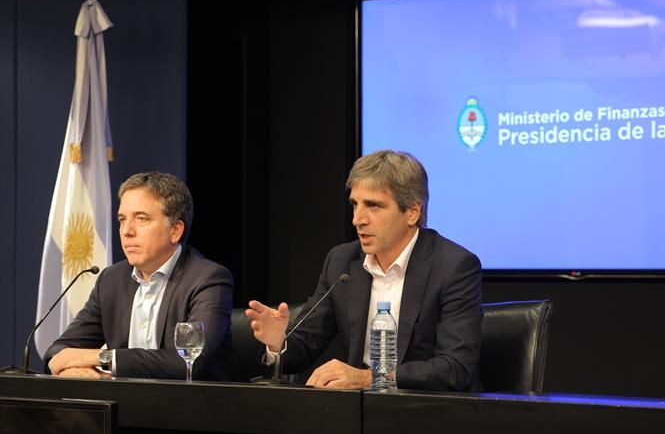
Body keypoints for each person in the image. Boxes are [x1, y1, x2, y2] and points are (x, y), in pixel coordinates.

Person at [246, 150, 482, 390]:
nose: (358, 219)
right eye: (355, 205)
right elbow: (305, 345)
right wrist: (277, 343)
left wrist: (369, 378)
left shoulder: (453, 267)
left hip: (426, 407)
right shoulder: (342, 261)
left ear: (412, 212)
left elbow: (456, 369)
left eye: (373, 206)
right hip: (359, 408)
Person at [45, 172, 233, 380]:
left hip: (189, 400)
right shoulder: (111, 280)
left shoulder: (207, 279)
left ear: (175, 231)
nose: (127, 231)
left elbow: (189, 362)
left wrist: (104, 358)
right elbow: (60, 351)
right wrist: (73, 370)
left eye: (141, 219)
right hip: (121, 400)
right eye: (122, 219)